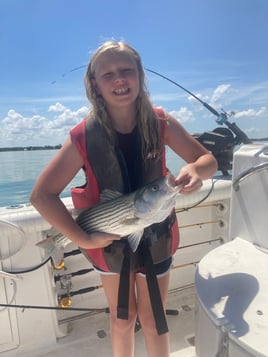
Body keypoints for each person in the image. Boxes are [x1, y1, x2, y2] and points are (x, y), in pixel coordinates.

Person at [30, 40, 217, 357]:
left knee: (154, 318)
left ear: (141, 75)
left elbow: (208, 161)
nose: (119, 79)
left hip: (156, 234)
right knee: (122, 317)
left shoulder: (162, 123)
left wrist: (196, 171)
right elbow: (42, 195)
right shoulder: (81, 137)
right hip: (110, 243)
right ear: (95, 84)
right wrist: (83, 239)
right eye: (109, 74)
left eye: (127, 70)